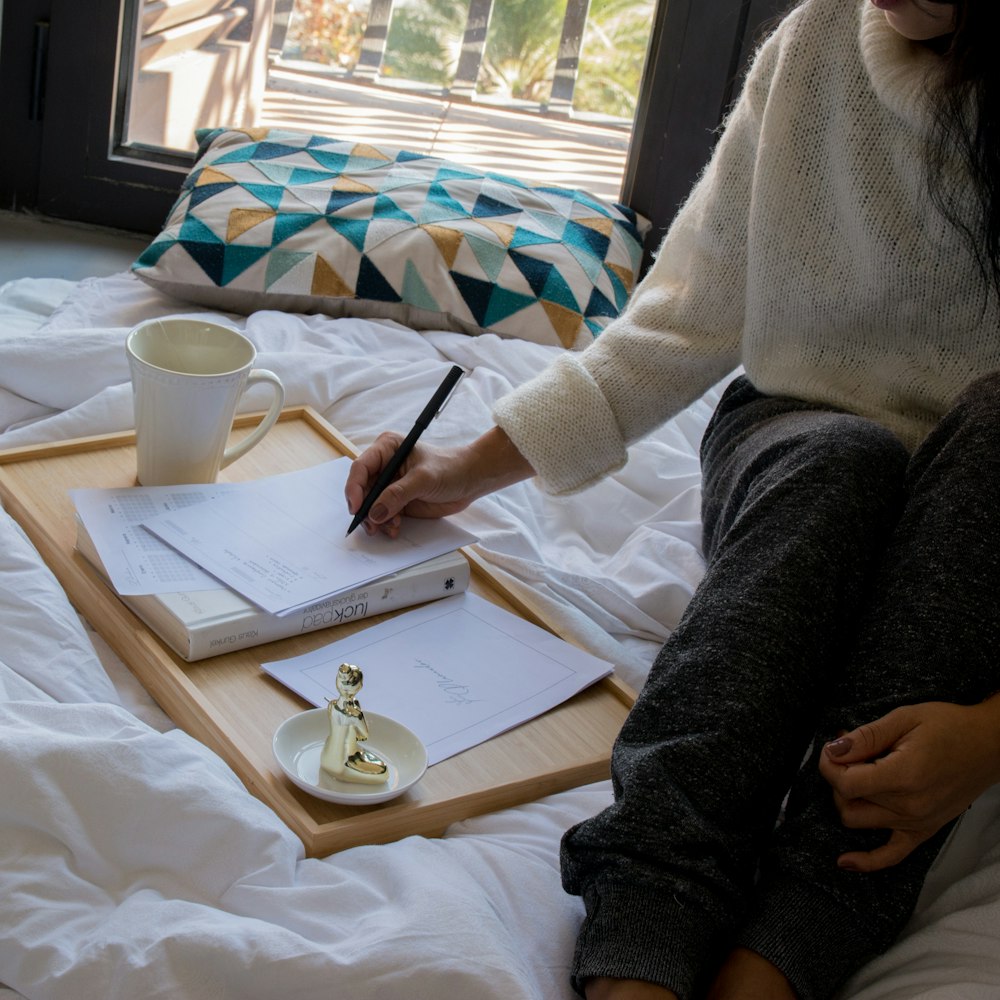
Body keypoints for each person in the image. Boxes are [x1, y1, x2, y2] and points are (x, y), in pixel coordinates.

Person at [344, 0, 1000, 997]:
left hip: (975, 513)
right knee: (843, 467)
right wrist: (463, 467)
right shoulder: (817, 45)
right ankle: (644, 935)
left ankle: (778, 960)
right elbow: (681, 315)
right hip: (799, 446)